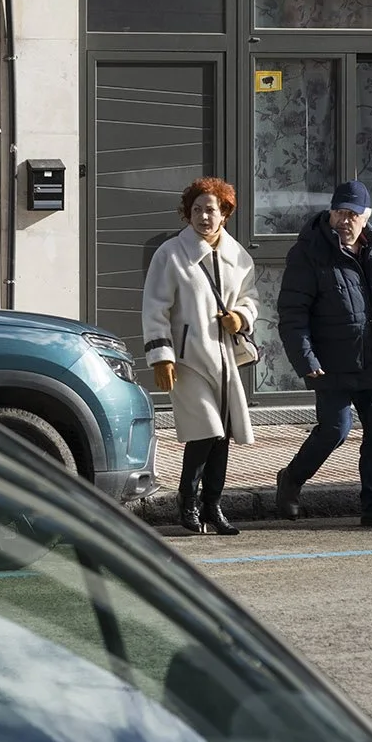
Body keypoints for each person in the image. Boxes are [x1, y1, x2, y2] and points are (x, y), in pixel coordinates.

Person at [273, 179, 372, 529]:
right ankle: (291, 479)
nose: (344, 221)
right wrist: (306, 360)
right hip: (331, 362)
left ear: (366, 218)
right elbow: (292, 313)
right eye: (339, 212)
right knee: (335, 429)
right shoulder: (309, 252)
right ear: (330, 213)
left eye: (353, 214)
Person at [141, 177, 259, 535]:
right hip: (187, 360)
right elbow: (155, 307)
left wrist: (240, 317)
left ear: (225, 213)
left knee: (221, 436)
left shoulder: (238, 255)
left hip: (223, 361)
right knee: (205, 431)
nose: (204, 216)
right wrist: (161, 356)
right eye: (196, 210)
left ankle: (213, 506)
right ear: (186, 214)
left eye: (211, 209)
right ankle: (187, 502)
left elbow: (251, 298)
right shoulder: (171, 254)